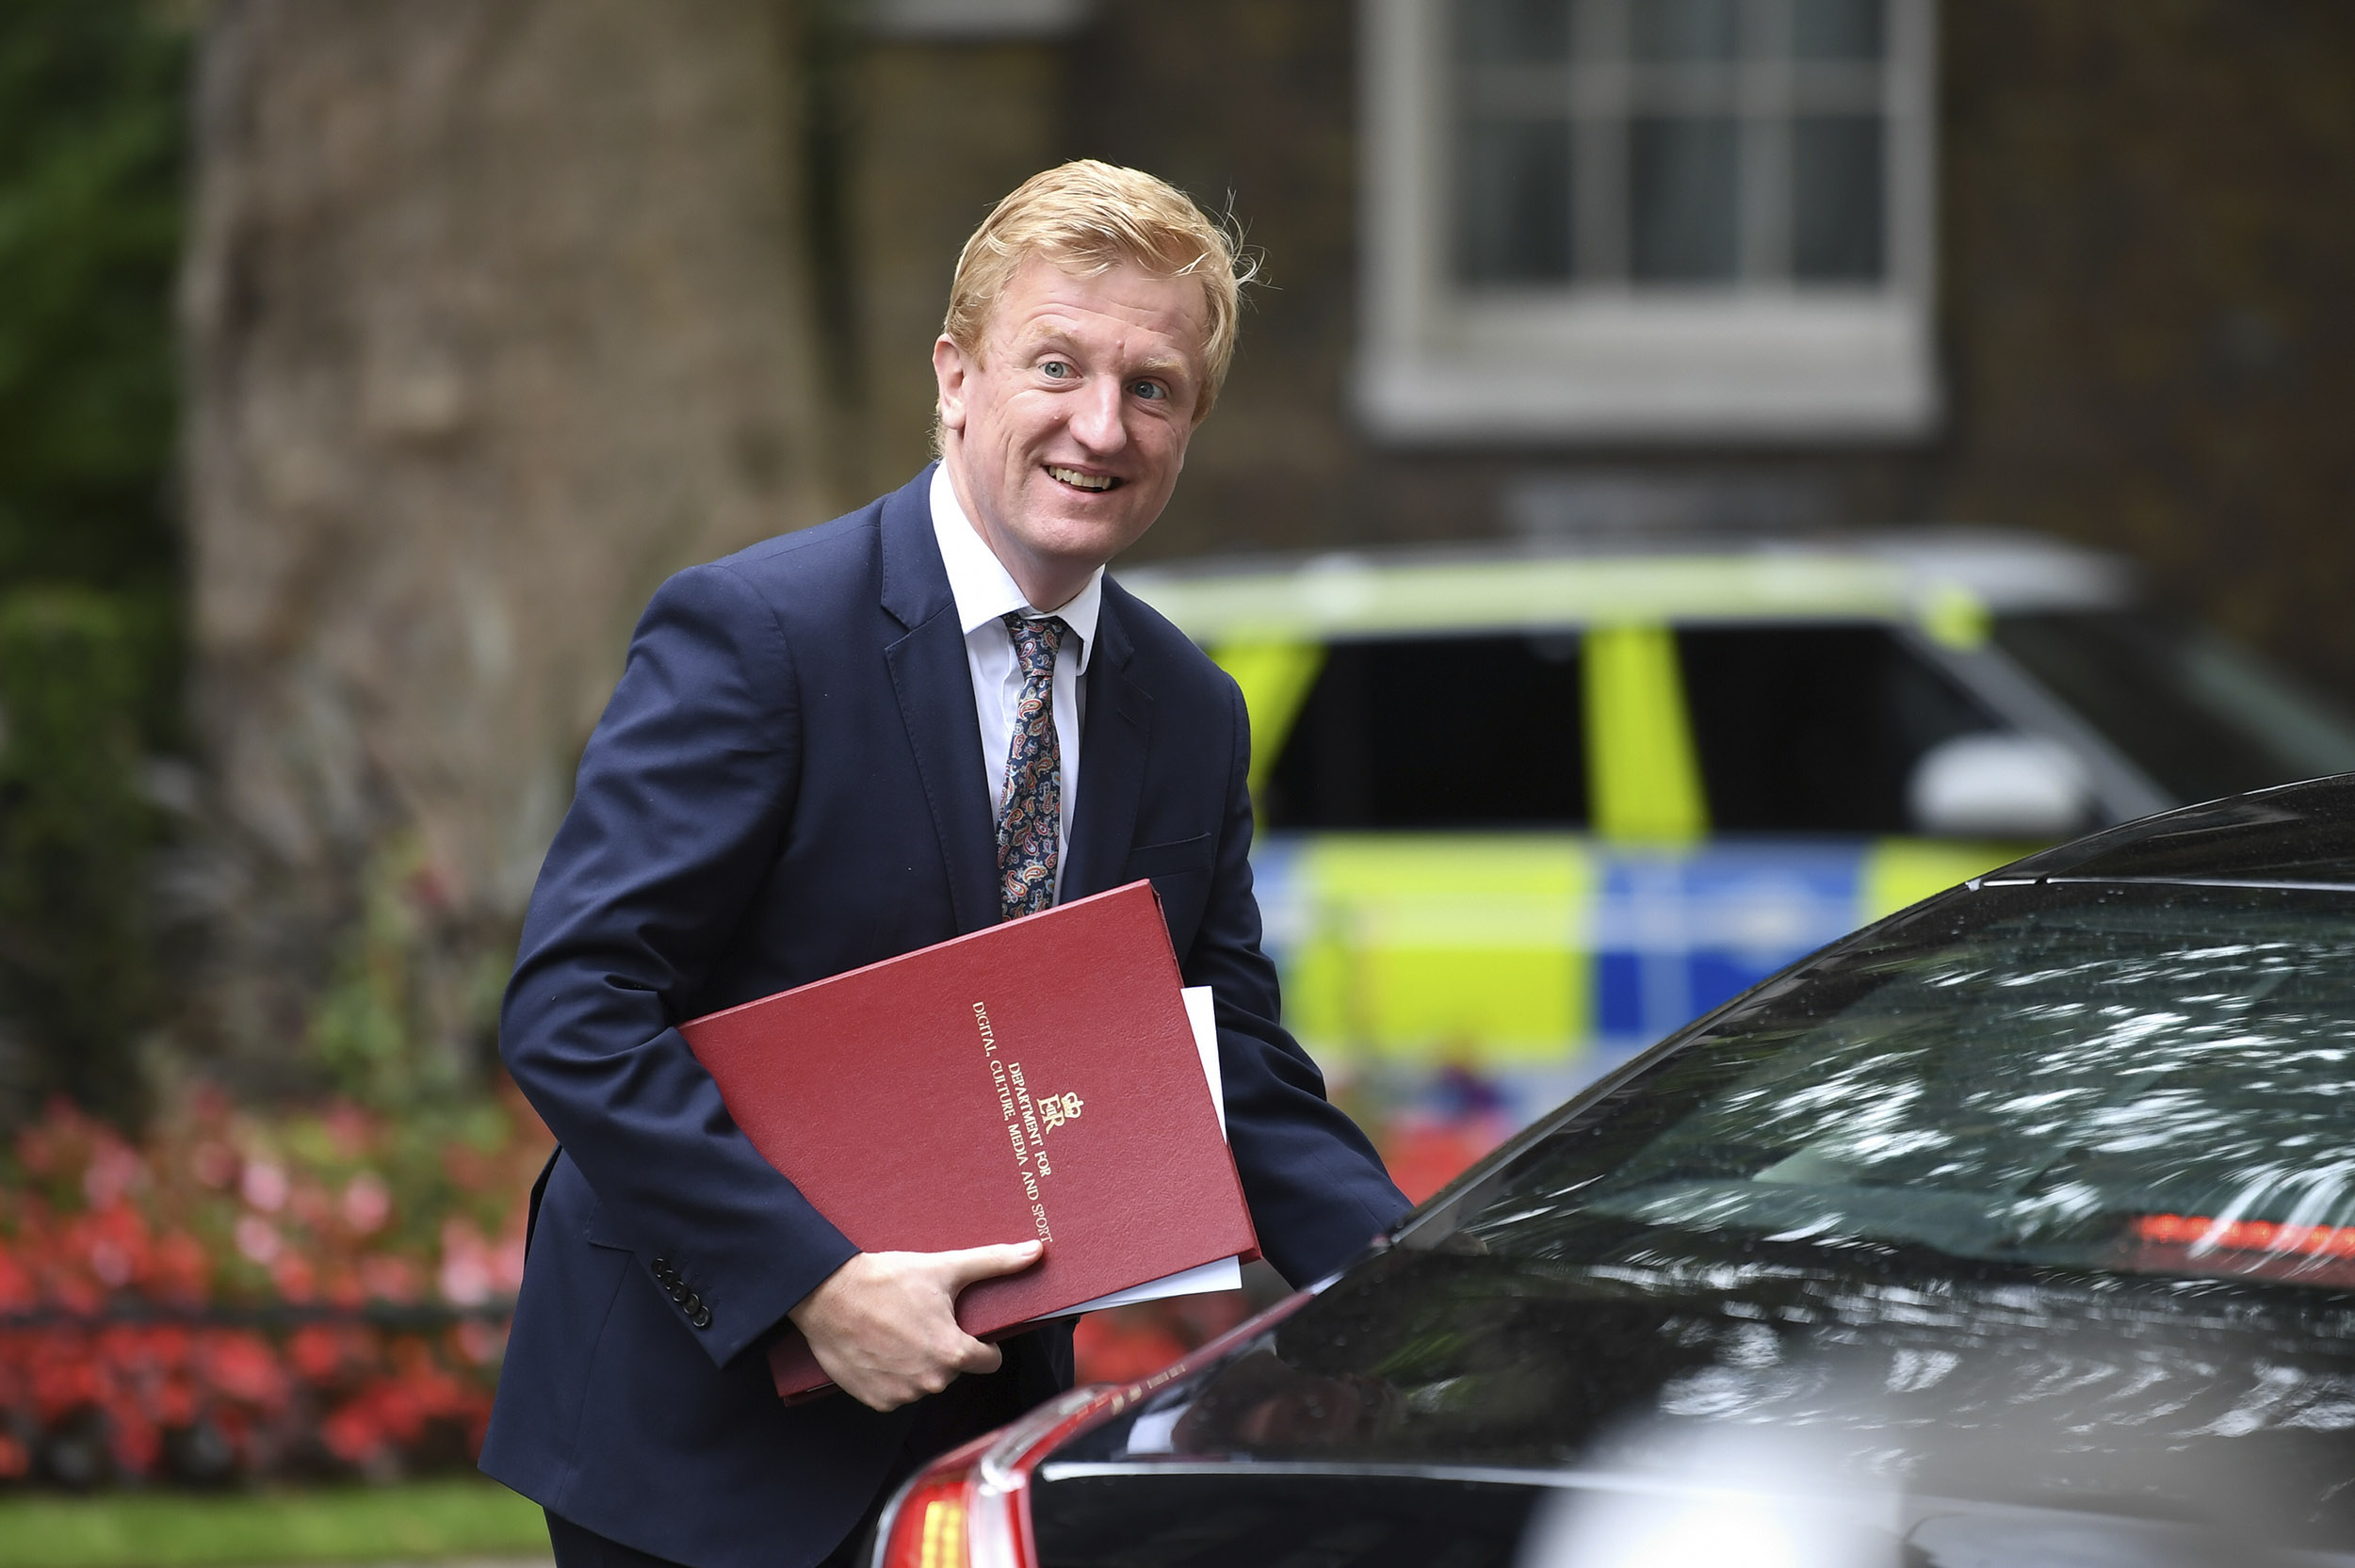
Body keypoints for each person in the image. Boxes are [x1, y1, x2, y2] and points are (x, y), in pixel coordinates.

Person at [480, 160, 1410, 1568]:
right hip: (692, 1438)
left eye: (1152, 387)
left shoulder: (1191, 709)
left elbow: (1220, 1063)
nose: (1102, 425)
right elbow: (576, 1002)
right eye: (1058, 366)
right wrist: (810, 1284)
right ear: (955, 375)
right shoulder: (758, 636)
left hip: (979, 1450)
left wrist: (1422, 1292)